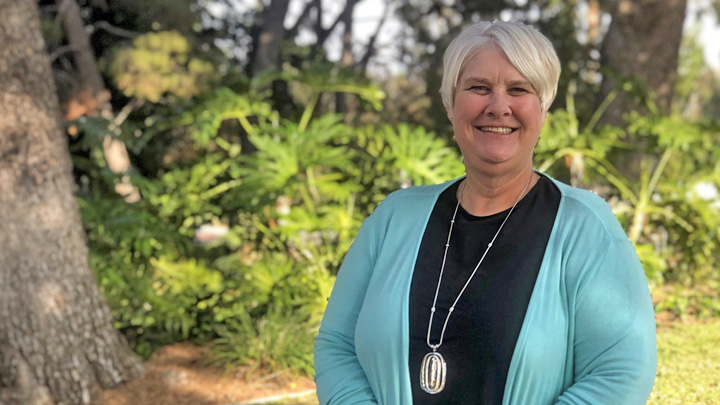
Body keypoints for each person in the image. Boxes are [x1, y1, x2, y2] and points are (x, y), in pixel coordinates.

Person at [314, 21, 657, 404]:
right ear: (450, 104)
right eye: (479, 88)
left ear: (543, 109)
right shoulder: (394, 218)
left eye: (519, 89)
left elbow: (622, 369)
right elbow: (337, 345)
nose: (498, 107)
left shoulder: (585, 228)